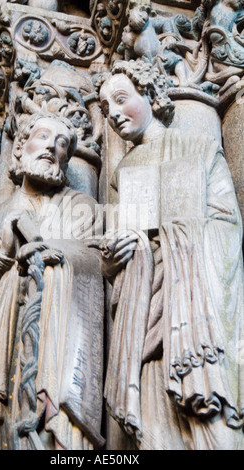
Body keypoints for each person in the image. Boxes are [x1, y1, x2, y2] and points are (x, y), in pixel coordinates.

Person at [97, 58, 244, 450]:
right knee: (156, 424)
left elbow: (227, 222)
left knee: (211, 425)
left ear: (149, 93)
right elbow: (114, 255)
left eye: (121, 99)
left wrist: (177, 238)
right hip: (144, 310)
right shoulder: (122, 171)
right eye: (105, 107)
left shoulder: (199, 146)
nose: (112, 114)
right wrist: (114, 258)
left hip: (194, 306)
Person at [0, 111, 104, 450]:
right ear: (20, 148)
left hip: (58, 339)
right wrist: (6, 249)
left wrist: (50, 253)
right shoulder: (1, 214)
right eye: (43, 136)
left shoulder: (81, 206)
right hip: (10, 334)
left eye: (61, 143)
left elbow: (97, 265)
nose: (51, 148)